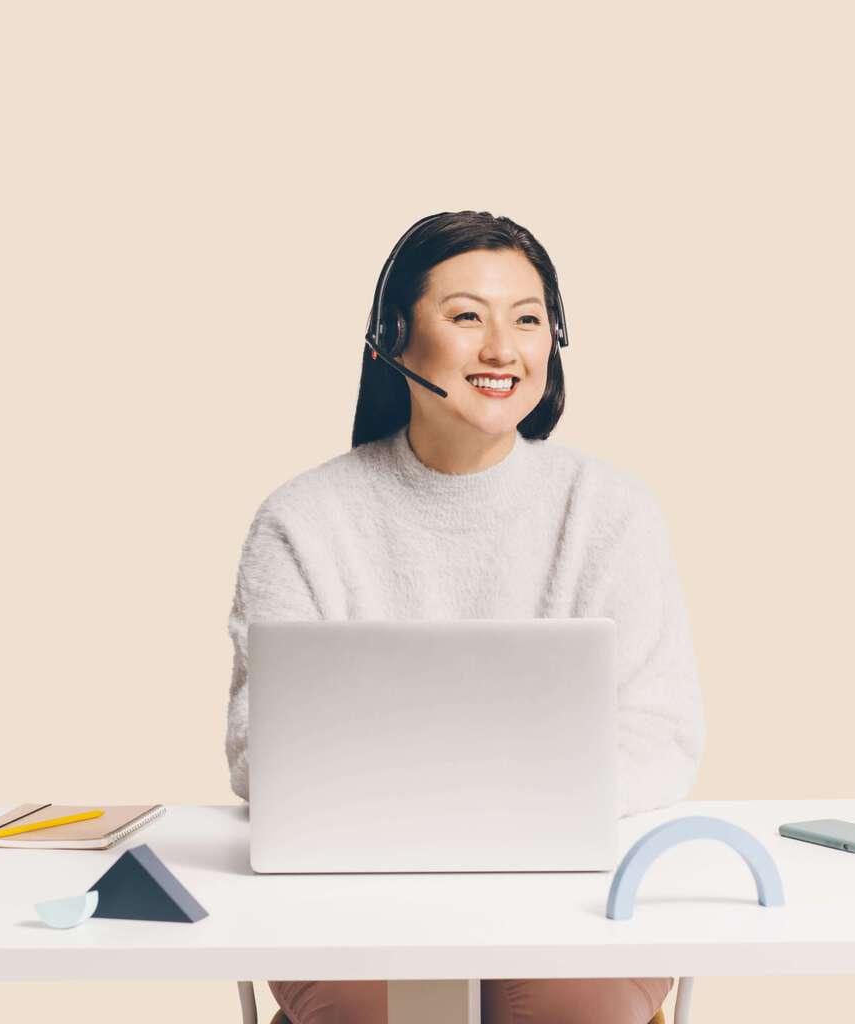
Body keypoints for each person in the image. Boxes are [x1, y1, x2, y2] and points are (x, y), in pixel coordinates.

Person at [225, 210, 705, 1024]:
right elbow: (257, 751)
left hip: (570, 886)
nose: (502, 349)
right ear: (391, 340)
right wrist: (496, 795)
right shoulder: (303, 518)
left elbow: (660, 731)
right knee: (382, 1002)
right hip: (357, 887)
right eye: (466, 317)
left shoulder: (612, 510)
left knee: (570, 998)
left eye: (527, 319)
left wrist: (481, 810)